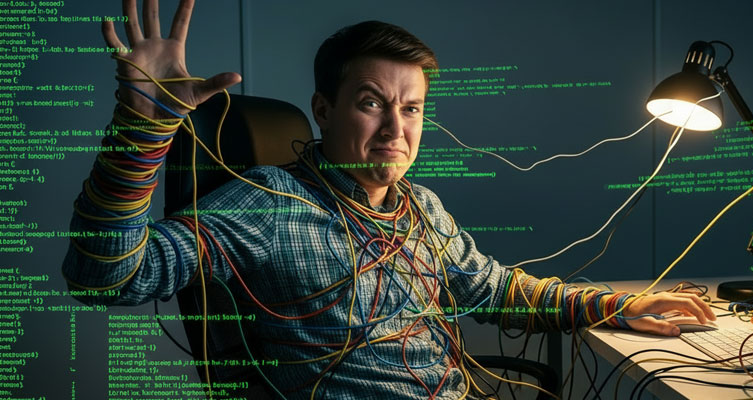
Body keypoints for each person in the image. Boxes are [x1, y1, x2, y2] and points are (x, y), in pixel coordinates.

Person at [62, 0, 716, 399]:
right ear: (324, 110)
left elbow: (493, 288)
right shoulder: (265, 205)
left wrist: (622, 306)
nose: (395, 128)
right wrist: (142, 126)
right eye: (371, 103)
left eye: (411, 108)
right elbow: (108, 277)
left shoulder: (422, 209)